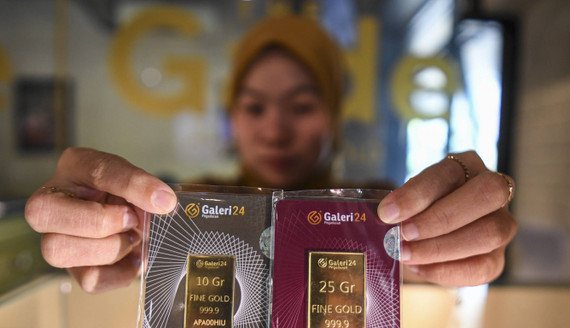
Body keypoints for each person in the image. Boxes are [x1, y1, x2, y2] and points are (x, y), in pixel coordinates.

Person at [24, 15, 517, 294]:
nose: (275, 130)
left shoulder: (380, 215)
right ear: (232, 117)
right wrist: (102, 227)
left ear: (334, 116)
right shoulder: (181, 212)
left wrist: (453, 242)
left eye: (301, 105)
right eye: (254, 106)